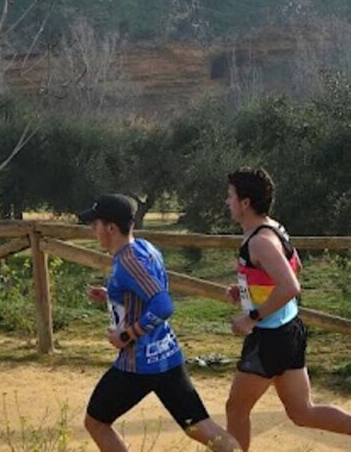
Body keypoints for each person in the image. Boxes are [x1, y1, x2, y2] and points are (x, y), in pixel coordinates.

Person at [222, 167, 351, 452]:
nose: (227, 202)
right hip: (288, 330)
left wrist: (251, 316)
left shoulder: (260, 241)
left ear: (245, 203)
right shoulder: (273, 229)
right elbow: (293, 269)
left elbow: (291, 286)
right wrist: (247, 292)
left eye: (231, 196)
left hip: (270, 336)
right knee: (302, 412)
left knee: (236, 409)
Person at [79, 193, 239, 452]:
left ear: (110, 228)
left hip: (138, 365)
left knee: (96, 422)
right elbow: (147, 294)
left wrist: (125, 336)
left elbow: (163, 305)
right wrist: (112, 296)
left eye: (94, 224)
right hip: (167, 358)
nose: (92, 230)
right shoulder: (144, 248)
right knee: (202, 428)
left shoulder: (128, 262)